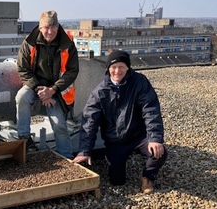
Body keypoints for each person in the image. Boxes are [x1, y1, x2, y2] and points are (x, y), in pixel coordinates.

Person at [73, 50, 167, 194]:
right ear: (108, 69)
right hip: (115, 140)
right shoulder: (100, 92)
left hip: (138, 136)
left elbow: (151, 111)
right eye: (113, 67)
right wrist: (85, 150)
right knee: (117, 181)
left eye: (121, 66)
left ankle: (147, 176)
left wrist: (154, 139)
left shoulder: (139, 82)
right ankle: (119, 160)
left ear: (128, 67)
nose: (117, 71)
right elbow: (89, 121)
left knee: (159, 152)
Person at [15, 10, 79, 159]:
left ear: (58, 26)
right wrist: (41, 92)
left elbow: (72, 71)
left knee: (59, 125)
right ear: (40, 27)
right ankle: (24, 138)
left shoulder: (67, 44)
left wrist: (53, 90)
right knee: (21, 97)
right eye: (46, 27)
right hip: (35, 86)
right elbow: (22, 68)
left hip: (56, 90)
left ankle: (67, 157)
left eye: (53, 27)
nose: (50, 31)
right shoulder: (29, 43)